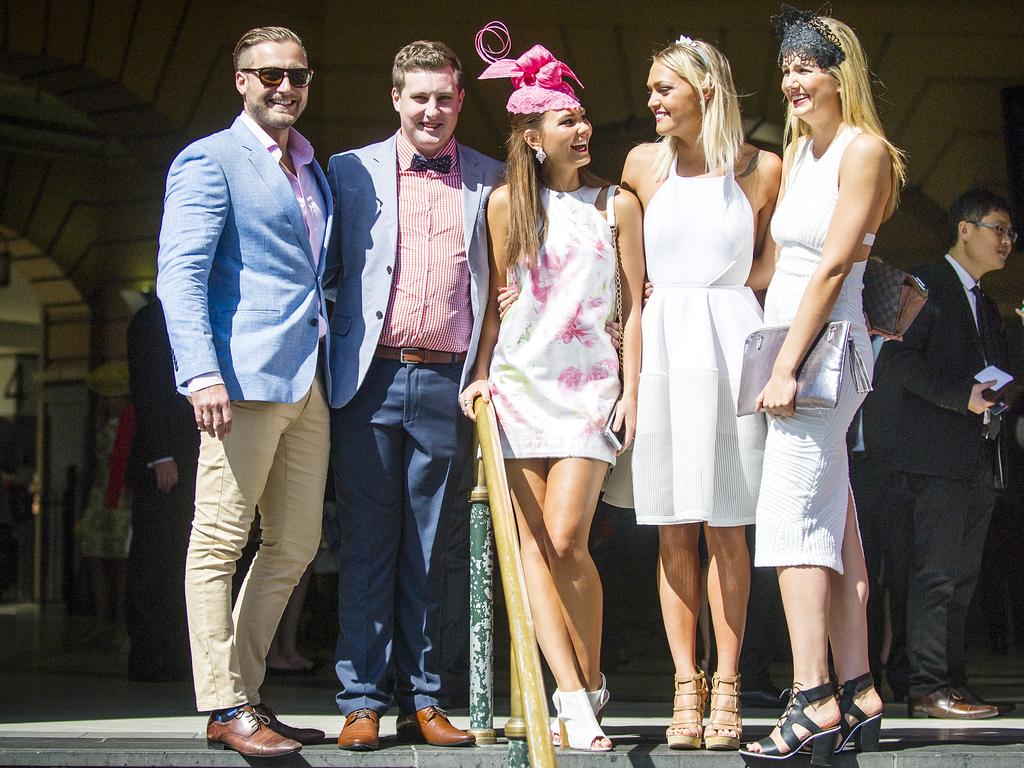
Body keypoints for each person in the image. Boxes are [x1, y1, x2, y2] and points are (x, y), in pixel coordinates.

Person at [460, 22, 645, 753]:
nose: (583, 127)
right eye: (567, 118)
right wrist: (478, 376)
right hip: (517, 391)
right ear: (533, 134)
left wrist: (633, 389)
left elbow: (637, 309)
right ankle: (571, 694)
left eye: (582, 115)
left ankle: (589, 680)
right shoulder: (507, 206)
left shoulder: (618, 205)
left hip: (590, 392)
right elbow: (492, 305)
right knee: (530, 547)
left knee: (568, 539)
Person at [156, 26, 331, 757]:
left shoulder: (310, 166)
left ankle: (246, 693)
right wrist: (201, 373)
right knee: (219, 541)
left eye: (296, 74)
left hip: (307, 378)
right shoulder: (209, 160)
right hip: (238, 380)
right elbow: (181, 274)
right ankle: (223, 702)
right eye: (268, 75)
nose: (284, 86)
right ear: (241, 81)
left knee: (296, 543)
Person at [325, 39, 503, 751]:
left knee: (434, 550)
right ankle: (361, 699)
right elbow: (324, 270)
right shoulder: (347, 172)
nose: (432, 110)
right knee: (368, 546)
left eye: (444, 97)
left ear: (461, 101)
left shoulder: (492, 180)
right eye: (418, 97)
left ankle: (424, 700)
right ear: (396, 98)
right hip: (367, 381)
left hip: (447, 381)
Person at [740, 6, 906, 763]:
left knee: (793, 521)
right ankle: (860, 687)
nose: (793, 80)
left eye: (807, 66)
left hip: (821, 355)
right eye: (786, 69)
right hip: (801, 347)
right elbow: (786, 265)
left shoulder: (864, 149)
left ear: (842, 72)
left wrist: (784, 366)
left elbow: (835, 267)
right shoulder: (804, 150)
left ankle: (811, 700)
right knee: (834, 524)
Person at [606, 35, 781, 751]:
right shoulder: (643, 165)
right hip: (664, 345)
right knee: (674, 525)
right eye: (650, 88)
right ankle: (686, 685)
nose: (650, 102)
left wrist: (736, 298)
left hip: (732, 338)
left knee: (728, 526)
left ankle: (730, 682)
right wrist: (630, 379)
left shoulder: (763, 168)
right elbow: (626, 281)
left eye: (662, 89)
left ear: (705, 89)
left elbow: (775, 261)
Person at [887, 187, 1021, 719]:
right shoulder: (924, 283)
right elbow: (898, 364)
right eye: (999, 229)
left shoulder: (986, 303)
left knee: (962, 581)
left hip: (979, 460)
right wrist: (959, 395)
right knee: (934, 575)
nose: (1007, 241)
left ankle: (953, 683)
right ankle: (925, 685)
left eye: (1012, 233)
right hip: (931, 461)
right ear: (965, 228)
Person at [124, 297, 199, 682]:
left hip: (191, 458)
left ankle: (172, 651)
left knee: (179, 560)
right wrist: (160, 454)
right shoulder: (152, 320)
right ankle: (148, 652)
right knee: (154, 559)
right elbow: (147, 389)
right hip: (165, 463)